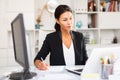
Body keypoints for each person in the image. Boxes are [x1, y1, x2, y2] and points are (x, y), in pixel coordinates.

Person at [34, 4, 88, 70]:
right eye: (65, 20)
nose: (69, 22)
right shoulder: (51, 38)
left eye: (71, 18)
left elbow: (85, 58)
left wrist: (89, 62)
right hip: (59, 76)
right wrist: (40, 64)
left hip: (77, 76)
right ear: (57, 21)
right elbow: (37, 59)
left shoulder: (79, 36)